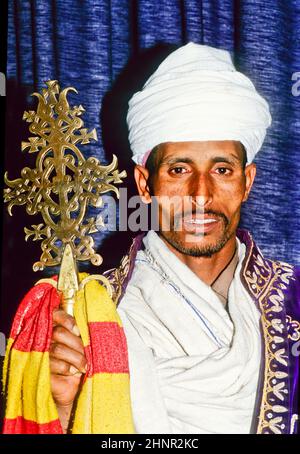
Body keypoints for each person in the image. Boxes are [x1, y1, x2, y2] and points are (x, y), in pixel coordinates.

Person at [14, 43, 300, 434]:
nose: (201, 194)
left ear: (246, 182)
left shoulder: (293, 305)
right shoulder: (96, 312)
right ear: (145, 184)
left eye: (222, 170)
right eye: (180, 170)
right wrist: (65, 409)